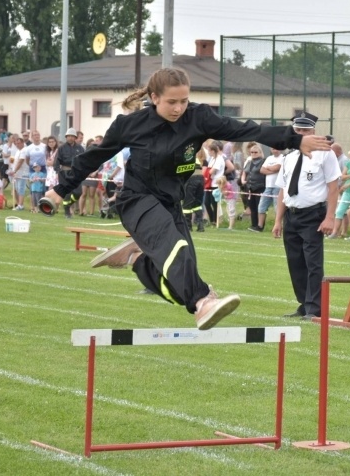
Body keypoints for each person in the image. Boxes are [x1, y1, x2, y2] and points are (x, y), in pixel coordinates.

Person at [42, 68, 331, 330]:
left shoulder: (198, 117)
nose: (179, 108)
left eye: (184, 101)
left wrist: (294, 139)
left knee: (179, 281)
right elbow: (90, 158)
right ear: (154, 98)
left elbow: (246, 129)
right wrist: (58, 191)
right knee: (177, 249)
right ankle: (204, 300)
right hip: (137, 200)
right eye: (172, 102)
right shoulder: (129, 125)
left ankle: (137, 260)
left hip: (170, 204)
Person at [272, 112, 340, 319]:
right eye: (298, 130)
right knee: (295, 263)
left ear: (313, 132)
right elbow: (283, 190)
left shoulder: (325, 154)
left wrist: (330, 217)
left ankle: (314, 308)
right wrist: (277, 220)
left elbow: (333, 187)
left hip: (313, 214)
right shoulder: (289, 157)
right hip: (291, 215)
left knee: (313, 263)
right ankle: (303, 303)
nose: (301, 133)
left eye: (305, 130)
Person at [54, 128, 85, 218]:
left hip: (76, 173)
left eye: (72, 136)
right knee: (67, 193)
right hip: (65, 172)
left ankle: (67, 204)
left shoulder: (80, 148)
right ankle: (67, 211)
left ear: (75, 137)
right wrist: (57, 171)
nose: (70, 138)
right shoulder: (61, 148)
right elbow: (57, 161)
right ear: (66, 137)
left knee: (78, 192)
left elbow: (83, 160)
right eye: (69, 136)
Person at [257, 147, 284, 231]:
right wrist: (272, 170)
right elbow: (262, 170)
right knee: (261, 206)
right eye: (273, 149)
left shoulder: (283, 157)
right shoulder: (269, 158)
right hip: (268, 186)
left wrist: (269, 168)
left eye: (276, 148)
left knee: (277, 208)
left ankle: (278, 226)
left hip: (278, 187)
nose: (275, 150)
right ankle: (260, 226)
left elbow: (278, 168)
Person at [242, 143, 266, 232]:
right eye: (251, 152)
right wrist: (243, 180)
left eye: (255, 152)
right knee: (252, 206)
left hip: (260, 186)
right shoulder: (249, 162)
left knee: (259, 206)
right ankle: (253, 224)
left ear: (260, 152)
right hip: (250, 187)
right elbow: (245, 172)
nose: (253, 154)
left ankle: (260, 225)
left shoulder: (263, 161)